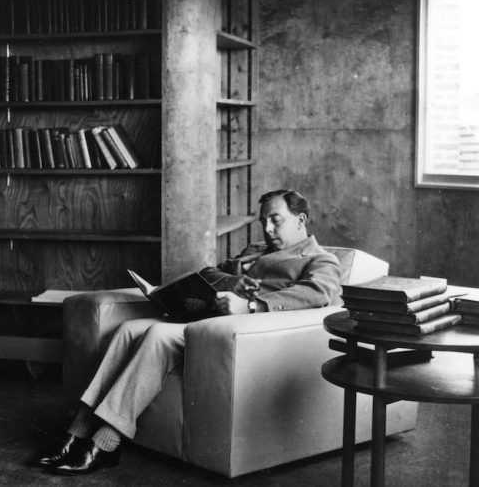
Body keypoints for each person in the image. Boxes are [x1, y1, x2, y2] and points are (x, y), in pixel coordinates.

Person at [36, 189, 342, 475]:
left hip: (240, 334)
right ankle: (77, 432)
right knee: (128, 330)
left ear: (301, 220)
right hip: (206, 320)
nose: (268, 229)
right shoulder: (256, 251)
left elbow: (318, 293)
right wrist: (232, 282)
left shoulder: (320, 259)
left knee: (157, 336)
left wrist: (251, 306)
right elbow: (209, 273)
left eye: (276, 220)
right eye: (264, 222)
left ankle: (105, 442)